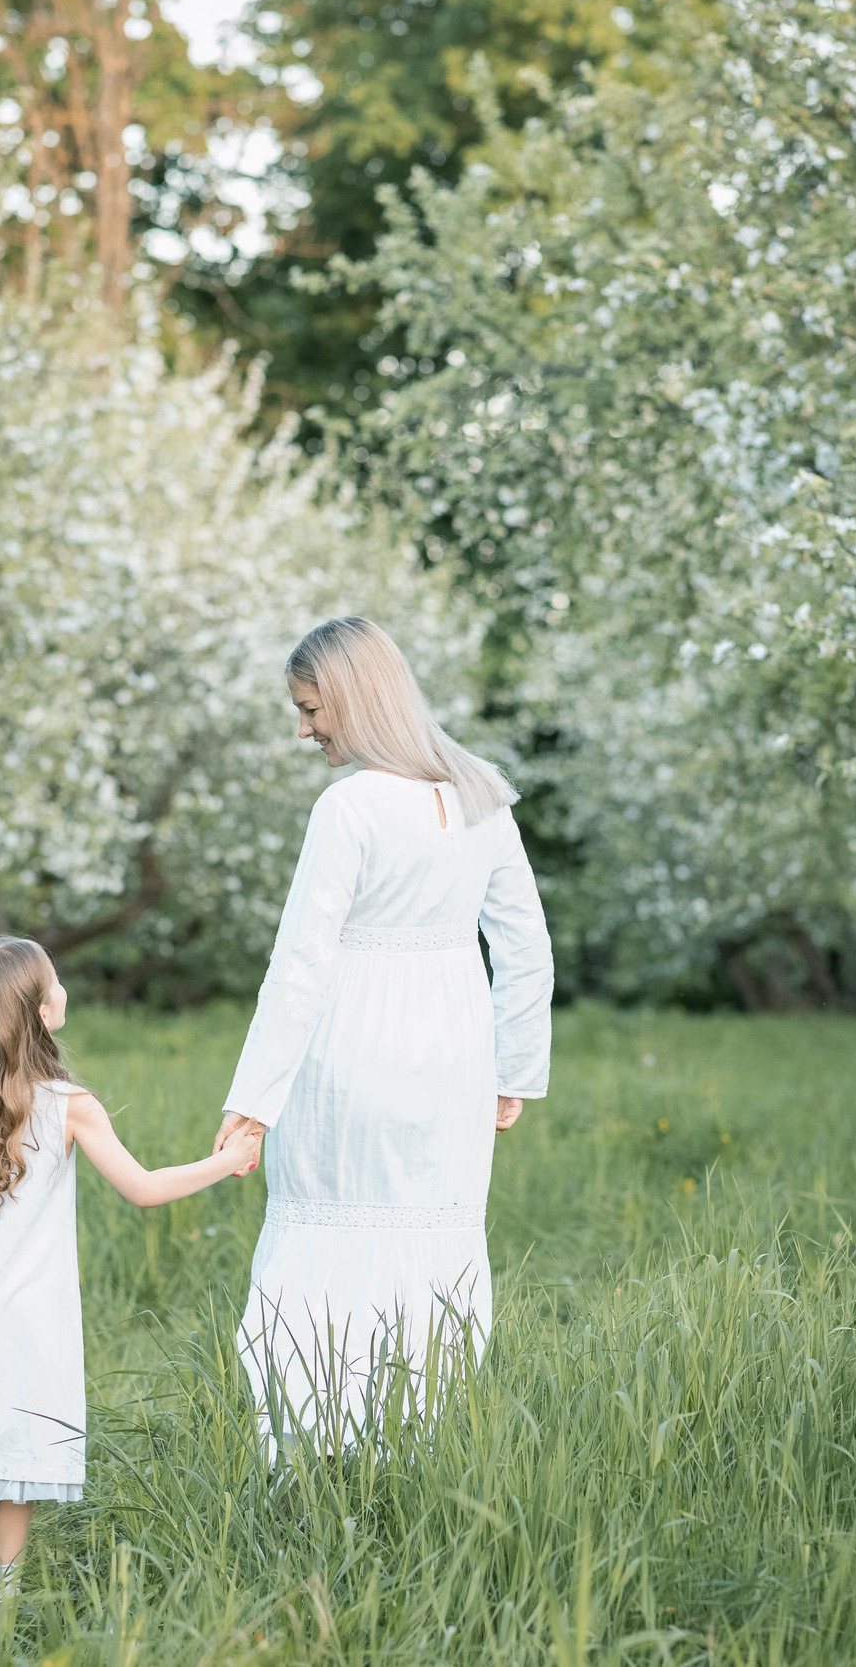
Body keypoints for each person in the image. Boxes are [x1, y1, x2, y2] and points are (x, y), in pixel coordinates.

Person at [214, 616, 554, 1449]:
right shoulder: (484, 796)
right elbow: (527, 949)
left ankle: (307, 1448)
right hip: (454, 1055)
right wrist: (513, 1069)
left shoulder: (350, 808)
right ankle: (417, 1441)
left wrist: (252, 1100)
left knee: (323, 1232)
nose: (304, 730)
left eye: (310, 707)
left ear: (355, 698)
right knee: (432, 1237)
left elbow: (299, 963)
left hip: (351, 1045)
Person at [0, 935, 259, 1614]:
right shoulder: (65, 1103)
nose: (62, 991)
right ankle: (1, 1601)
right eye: (53, 984)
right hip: (29, 1317)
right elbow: (143, 1186)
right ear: (40, 1014)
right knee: (19, 1450)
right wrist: (227, 1160)